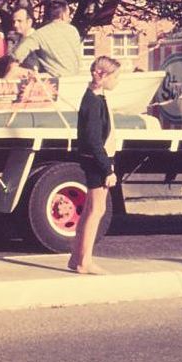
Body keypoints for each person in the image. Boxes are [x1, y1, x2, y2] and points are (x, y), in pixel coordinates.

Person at [68, 56, 121, 275]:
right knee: (97, 210)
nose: (118, 81)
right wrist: (107, 168)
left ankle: (76, 258)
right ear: (103, 75)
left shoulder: (97, 98)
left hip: (96, 159)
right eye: (116, 76)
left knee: (91, 209)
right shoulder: (92, 101)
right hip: (97, 160)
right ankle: (84, 262)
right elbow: (93, 139)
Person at [6, 0, 83, 79]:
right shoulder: (74, 31)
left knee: (14, 71)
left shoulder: (39, 34)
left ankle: (0, 89)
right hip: (75, 77)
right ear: (63, 15)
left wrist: (11, 67)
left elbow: (17, 56)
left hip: (55, 78)